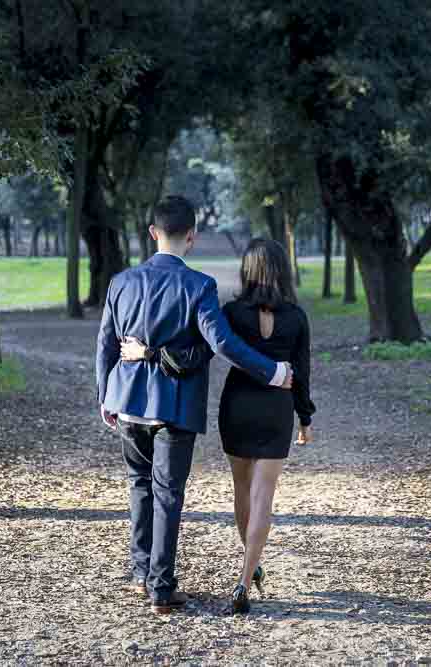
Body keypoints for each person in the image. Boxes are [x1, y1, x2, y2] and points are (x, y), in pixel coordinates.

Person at [96, 195, 292, 616]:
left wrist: (105, 396)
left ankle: (141, 573)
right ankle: (161, 589)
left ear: (153, 233)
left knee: (140, 487)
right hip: (174, 405)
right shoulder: (198, 286)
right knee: (168, 494)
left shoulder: (121, 282)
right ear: (192, 237)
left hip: (127, 401)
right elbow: (221, 344)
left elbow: (106, 343)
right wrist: (272, 372)